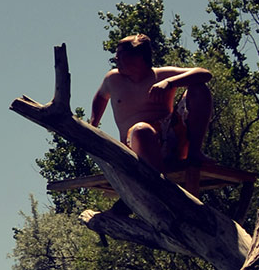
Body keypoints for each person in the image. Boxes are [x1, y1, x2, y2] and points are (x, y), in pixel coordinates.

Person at [91, 33, 213, 169]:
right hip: (137, 146)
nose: (116, 58)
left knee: (198, 88)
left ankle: (194, 152)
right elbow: (101, 97)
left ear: (138, 56)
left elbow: (204, 73)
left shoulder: (161, 75)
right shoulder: (113, 79)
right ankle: (157, 177)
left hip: (170, 140)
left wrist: (169, 82)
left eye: (120, 54)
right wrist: (93, 125)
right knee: (142, 130)